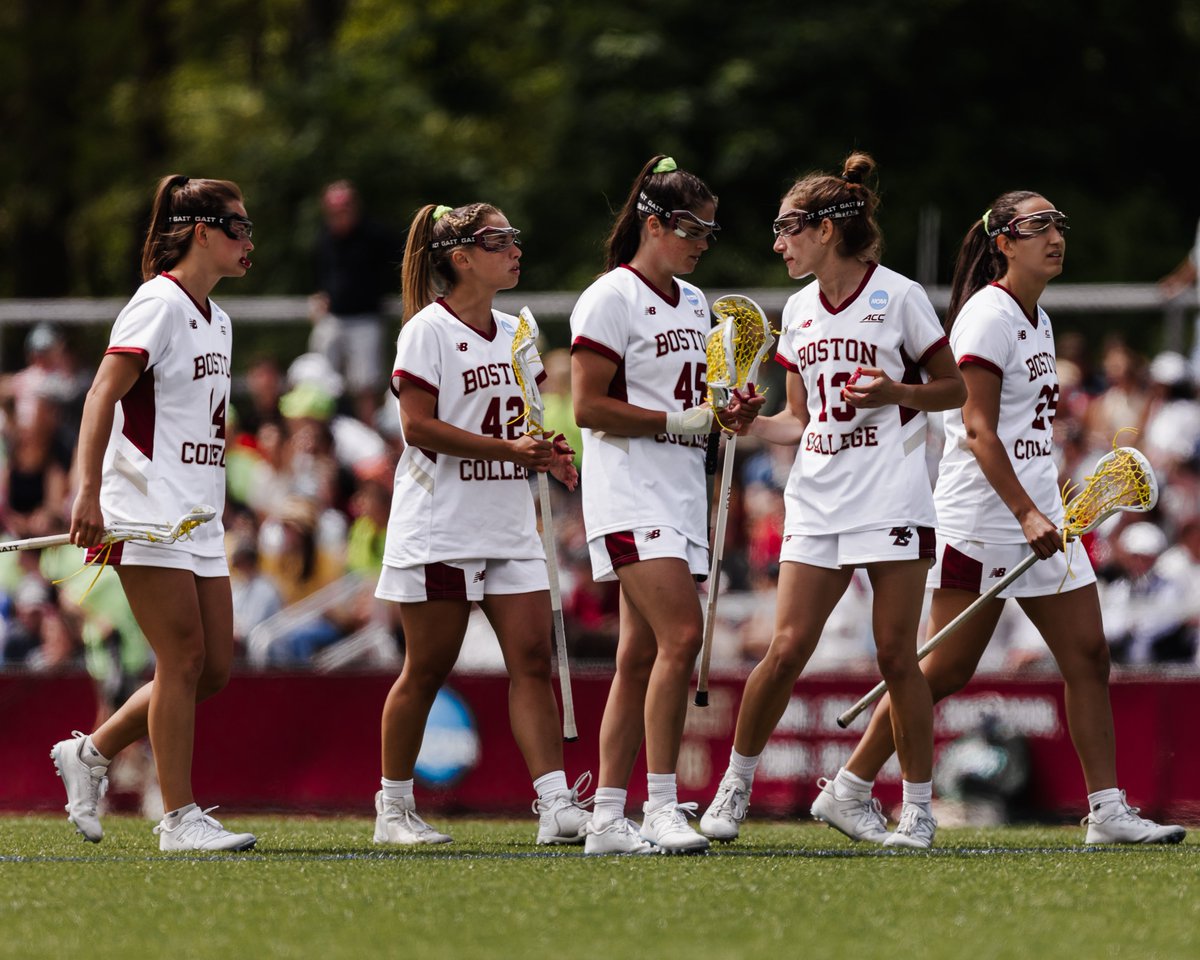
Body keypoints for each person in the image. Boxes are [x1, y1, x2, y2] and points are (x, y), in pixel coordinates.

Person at [808, 190, 1185, 846]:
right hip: (982, 517)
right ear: (1004, 241)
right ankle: (850, 787)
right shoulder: (986, 315)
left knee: (1089, 655)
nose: (1055, 235)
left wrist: (1044, 505)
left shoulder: (1035, 319)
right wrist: (1024, 511)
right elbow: (978, 429)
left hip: (1041, 515)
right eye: (1038, 226)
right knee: (945, 667)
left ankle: (1106, 811)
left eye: (1058, 224)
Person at [698, 152, 965, 850]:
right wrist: (748, 424)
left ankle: (916, 809)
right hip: (817, 494)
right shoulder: (797, 308)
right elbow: (798, 416)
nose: (778, 242)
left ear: (827, 229)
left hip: (892, 495)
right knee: (783, 650)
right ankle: (734, 789)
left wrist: (896, 392)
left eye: (788, 228)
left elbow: (954, 389)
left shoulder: (899, 296)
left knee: (896, 657)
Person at [49, 174, 257, 851]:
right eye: (239, 227)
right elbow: (100, 396)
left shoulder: (218, 319)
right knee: (183, 658)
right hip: (144, 512)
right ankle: (178, 817)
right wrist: (87, 493)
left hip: (198, 517)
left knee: (214, 667)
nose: (249, 240)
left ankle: (91, 752)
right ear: (202, 230)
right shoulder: (157, 304)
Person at [373, 201, 590, 846]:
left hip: (507, 520)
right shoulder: (427, 331)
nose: (515, 248)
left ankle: (554, 803)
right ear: (461, 257)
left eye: (513, 238)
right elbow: (418, 428)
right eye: (500, 240)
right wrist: (510, 451)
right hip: (441, 522)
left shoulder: (519, 331)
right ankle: (393, 809)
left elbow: (519, 423)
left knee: (531, 657)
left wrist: (548, 451)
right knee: (428, 667)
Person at [570, 155, 763, 855]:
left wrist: (727, 413)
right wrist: (674, 422)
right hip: (628, 489)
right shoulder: (610, 297)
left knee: (638, 656)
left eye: (709, 233)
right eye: (694, 230)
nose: (703, 243)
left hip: (681, 491)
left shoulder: (693, 302)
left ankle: (607, 820)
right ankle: (659, 803)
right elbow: (588, 405)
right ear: (655, 224)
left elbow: (700, 405)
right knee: (683, 638)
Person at [310, 180, 401, 420]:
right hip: (334, 318)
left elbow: (399, 263)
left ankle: (369, 435)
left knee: (365, 384)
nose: (340, 216)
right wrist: (321, 295)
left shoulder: (375, 234)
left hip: (365, 318)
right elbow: (324, 273)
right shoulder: (326, 237)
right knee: (318, 376)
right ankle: (323, 433)